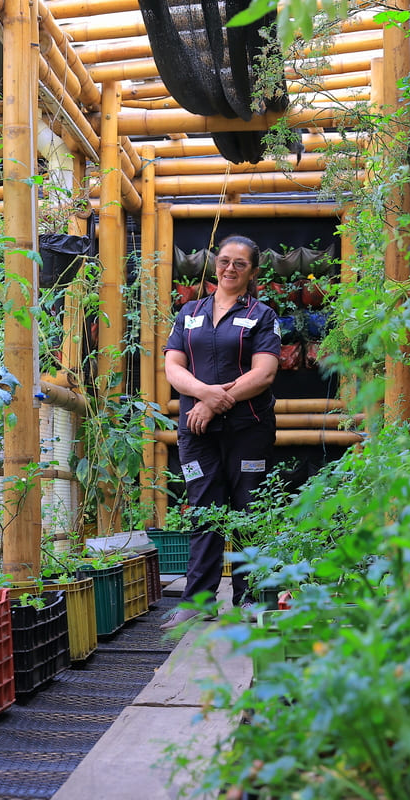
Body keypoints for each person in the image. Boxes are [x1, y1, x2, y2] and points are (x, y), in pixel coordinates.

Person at [159, 234, 281, 631]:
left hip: (248, 428)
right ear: (214, 265)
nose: (230, 268)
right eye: (224, 261)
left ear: (253, 271)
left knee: (249, 510)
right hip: (198, 432)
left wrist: (212, 402)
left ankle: (250, 600)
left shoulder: (262, 314)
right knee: (204, 509)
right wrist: (201, 394)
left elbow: (264, 373)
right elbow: (173, 367)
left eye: (240, 263)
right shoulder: (189, 312)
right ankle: (199, 601)